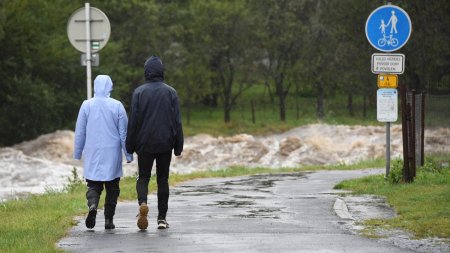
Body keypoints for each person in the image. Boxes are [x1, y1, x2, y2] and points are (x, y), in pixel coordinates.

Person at [126, 56, 184, 230]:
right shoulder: (171, 92)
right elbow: (177, 121)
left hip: (144, 143)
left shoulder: (139, 92)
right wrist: (178, 145)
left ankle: (143, 204)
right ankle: (161, 218)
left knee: (143, 177)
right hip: (165, 143)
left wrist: (129, 145)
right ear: (161, 71)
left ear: (146, 72)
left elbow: (133, 122)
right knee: (163, 179)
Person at [74, 75, 133, 230]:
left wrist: (77, 153)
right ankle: (108, 220)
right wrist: (128, 154)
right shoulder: (117, 105)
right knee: (112, 187)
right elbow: (124, 133)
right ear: (110, 87)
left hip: (93, 151)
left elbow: (80, 132)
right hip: (112, 152)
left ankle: (93, 205)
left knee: (93, 184)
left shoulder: (86, 105)